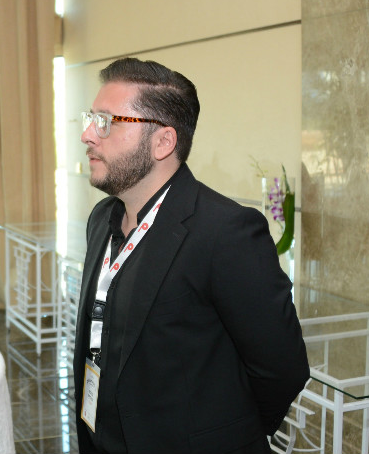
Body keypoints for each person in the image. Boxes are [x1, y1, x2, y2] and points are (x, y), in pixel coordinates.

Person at [72, 57, 309, 454]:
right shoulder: (102, 219)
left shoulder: (226, 233)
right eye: (91, 118)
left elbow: (282, 369)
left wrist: (224, 435)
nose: (88, 135)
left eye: (106, 122)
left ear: (163, 142)